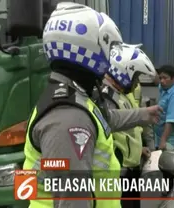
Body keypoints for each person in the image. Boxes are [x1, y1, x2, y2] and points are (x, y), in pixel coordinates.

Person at [23, 3, 161, 208]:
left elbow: (104, 119)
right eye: (109, 49)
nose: (111, 59)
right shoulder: (69, 118)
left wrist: (143, 114)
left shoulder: (74, 99)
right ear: (90, 49)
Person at [97, 43, 156, 208]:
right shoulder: (106, 98)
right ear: (124, 72)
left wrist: (139, 150)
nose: (136, 82)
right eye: (135, 77)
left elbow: (130, 131)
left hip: (130, 170)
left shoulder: (122, 94)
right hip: (119, 174)